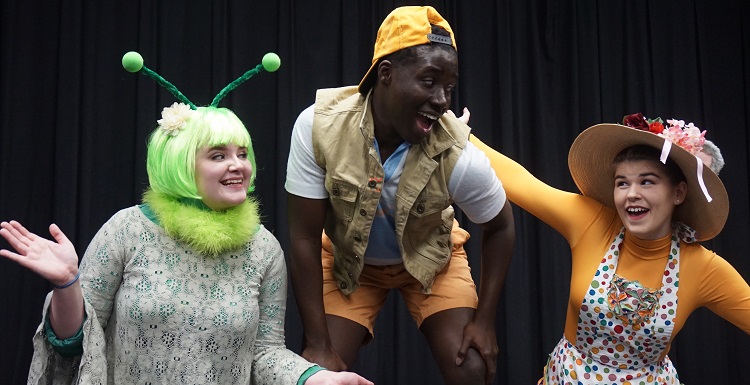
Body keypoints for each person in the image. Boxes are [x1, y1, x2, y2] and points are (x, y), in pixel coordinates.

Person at [0, 52, 373, 385]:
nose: (237, 165)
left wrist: (314, 379)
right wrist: (67, 284)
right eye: (217, 155)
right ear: (180, 164)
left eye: (242, 154)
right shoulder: (127, 230)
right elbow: (74, 345)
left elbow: (265, 354)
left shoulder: (264, 249)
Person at [285, 6, 515, 385]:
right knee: (320, 378)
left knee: (473, 368)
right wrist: (317, 341)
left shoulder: (458, 155)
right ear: (386, 74)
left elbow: (502, 227)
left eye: (450, 86)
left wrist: (485, 321)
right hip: (349, 266)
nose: (443, 100)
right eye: (429, 81)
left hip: (433, 261)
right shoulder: (319, 126)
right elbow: (304, 237)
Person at [469, 111, 750, 383]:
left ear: (678, 193)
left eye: (647, 182)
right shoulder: (592, 222)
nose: (631, 194)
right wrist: (455, 133)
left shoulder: (704, 268)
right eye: (622, 183)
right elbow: (520, 181)